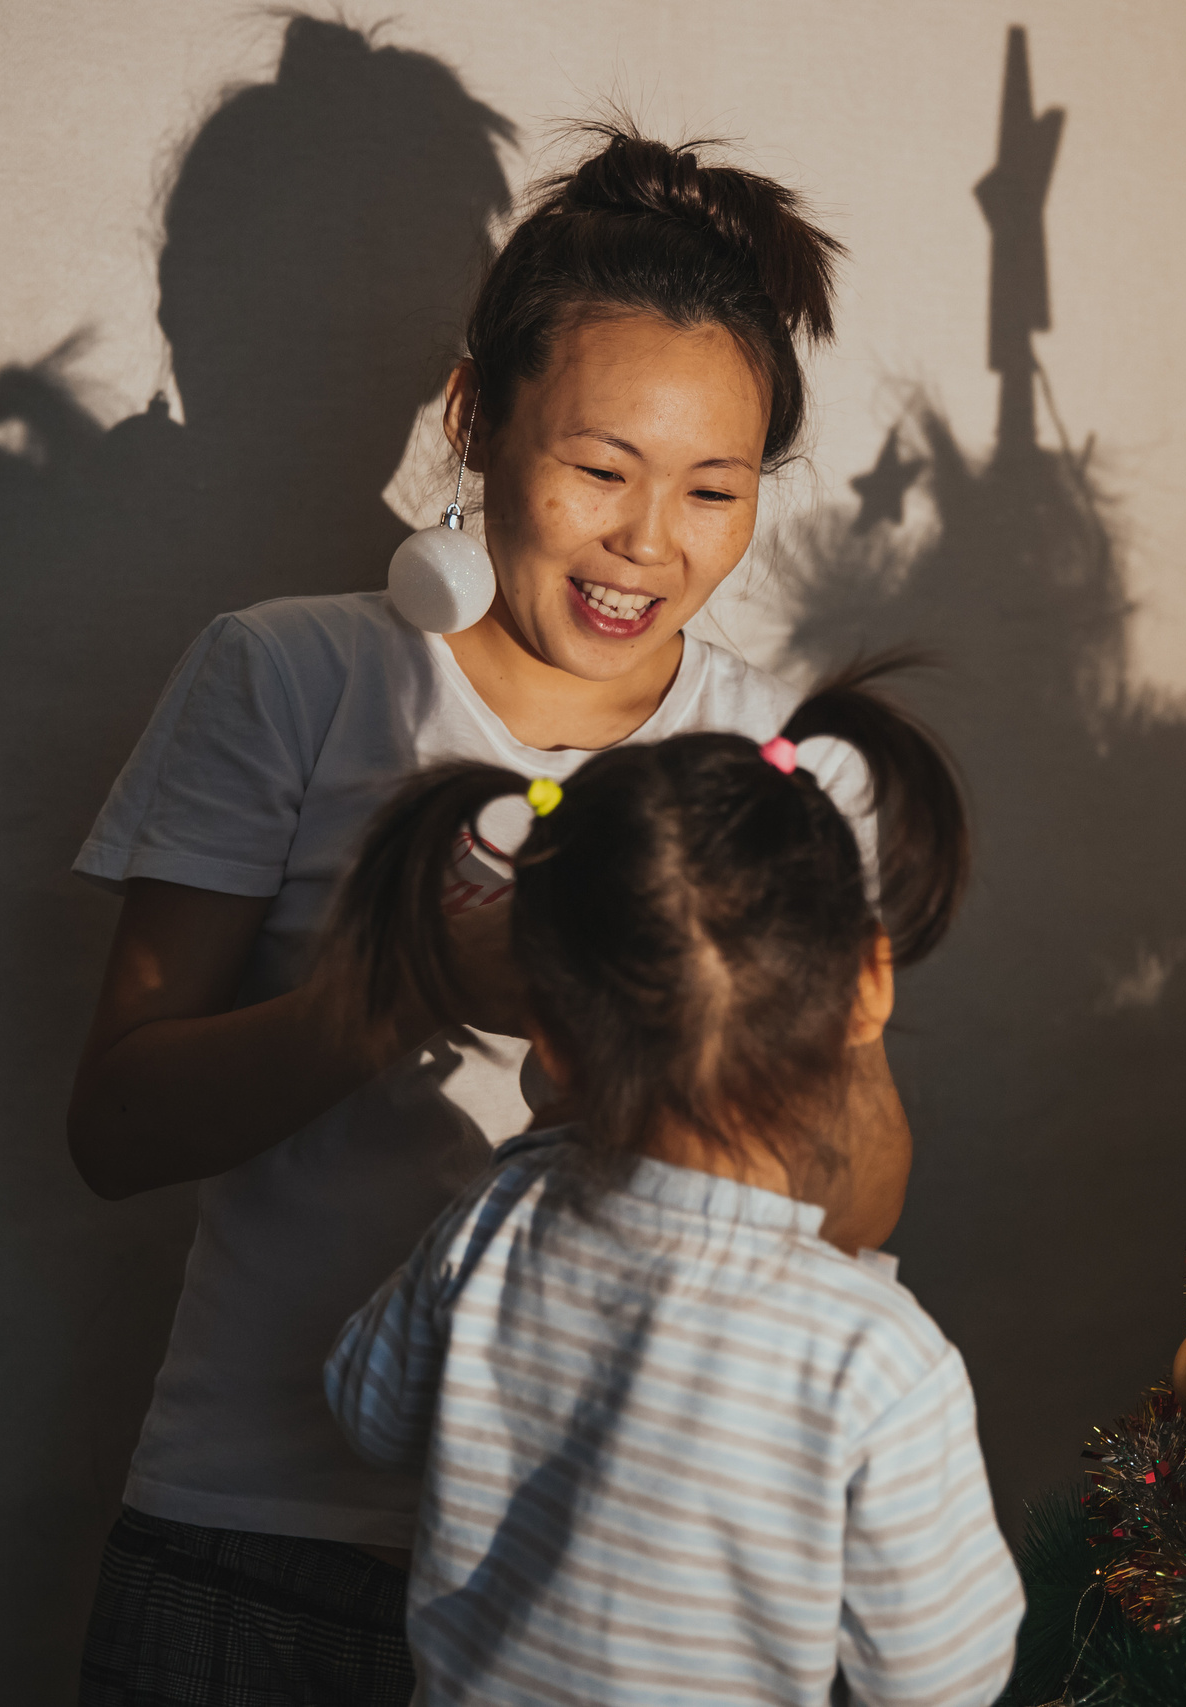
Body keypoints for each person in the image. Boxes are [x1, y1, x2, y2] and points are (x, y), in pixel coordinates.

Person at [68, 127, 878, 1704]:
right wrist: (415, 982)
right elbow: (115, 1123)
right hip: (262, 1549)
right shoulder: (289, 675)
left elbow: (848, 1205)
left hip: (629, 1569)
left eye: (716, 488)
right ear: (473, 419)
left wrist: (777, 1056)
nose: (654, 542)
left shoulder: (780, 758)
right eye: (600, 470)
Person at [323, 663, 1022, 1703]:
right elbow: (940, 1679)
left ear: (550, 1038)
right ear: (867, 983)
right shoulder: (872, 1356)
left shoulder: (501, 1218)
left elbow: (366, 1412)